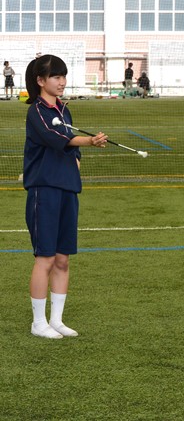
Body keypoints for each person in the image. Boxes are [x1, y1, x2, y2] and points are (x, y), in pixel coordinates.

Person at [23, 54, 109, 339]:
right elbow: (57, 138)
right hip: (44, 190)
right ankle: (38, 323)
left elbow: (71, 145)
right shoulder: (37, 111)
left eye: (63, 76)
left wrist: (78, 159)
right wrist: (90, 141)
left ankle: (56, 320)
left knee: (62, 259)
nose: (62, 82)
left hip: (68, 190)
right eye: (56, 77)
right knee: (45, 258)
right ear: (40, 80)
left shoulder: (63, 109)